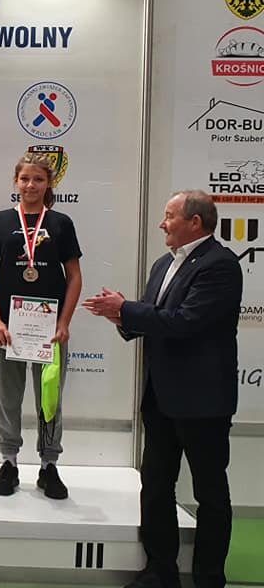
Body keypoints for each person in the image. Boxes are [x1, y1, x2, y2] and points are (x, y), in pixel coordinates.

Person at [82, 190, 241, 588]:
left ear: (195, 222)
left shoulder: (220, 265)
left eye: (169, 216)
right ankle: (159, 571)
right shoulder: (163, 264)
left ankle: (209, 578)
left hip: (204, 402)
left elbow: (184, 321)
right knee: (155, 485)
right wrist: (121, 316)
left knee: (210, 494)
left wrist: (126, 309)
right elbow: (155, 318)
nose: (162, 223)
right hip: (160, 398)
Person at [0, 152, 82, 499]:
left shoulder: (61, 223)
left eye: (38, 179)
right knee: (8, 396)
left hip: (49, 330)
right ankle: (9, 462)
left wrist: (64, 323)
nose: (31, 185)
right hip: (9, 327)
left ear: (49, 183)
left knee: (49, 397)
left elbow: (75, 276)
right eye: (25, 179)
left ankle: (49, 465)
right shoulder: (0, 221)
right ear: (16, 182)